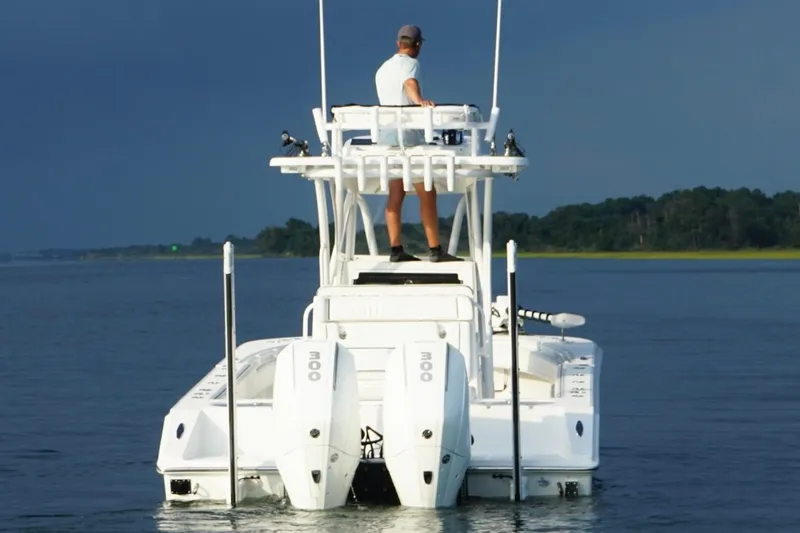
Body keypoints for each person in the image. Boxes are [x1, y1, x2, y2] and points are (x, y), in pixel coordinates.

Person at [374, 24, 461, 263]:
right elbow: (409, 82)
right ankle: (435, 249)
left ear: (397, 43)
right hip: (407, 135)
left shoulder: (382, 69)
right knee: (427, 191)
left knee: (395, 192)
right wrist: (420, 101)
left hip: (386, 136)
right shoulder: (411, 64)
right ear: (418, 45)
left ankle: (395, 249)